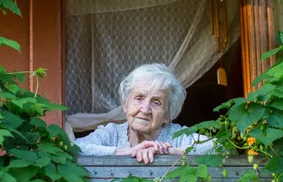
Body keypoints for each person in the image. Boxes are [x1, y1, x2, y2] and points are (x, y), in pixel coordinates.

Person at [71, 63, 214, 164]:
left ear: (167, 115)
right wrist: (128, 151)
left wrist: (171, 152)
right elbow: (77, 148)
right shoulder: (112, 133)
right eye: (139, 98)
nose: (145, 110)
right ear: (126, 105)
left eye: (156, 102)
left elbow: (219, 148)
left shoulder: (177, 136)